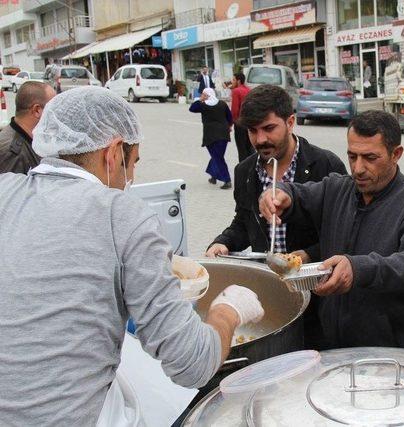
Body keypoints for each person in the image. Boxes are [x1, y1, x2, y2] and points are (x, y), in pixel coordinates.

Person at [0, 87, 264, 425]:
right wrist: (229, 310)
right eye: (132, 163)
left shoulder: (7, 190)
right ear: (113, 154)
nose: (132, 178)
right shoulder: (121, 214)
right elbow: (193, 363)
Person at [258, 110, 404, 350]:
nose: (358, 168)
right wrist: (279, 194)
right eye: (352, 156)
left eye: (370, 158)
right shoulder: (337, 188)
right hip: (334, 345)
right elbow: (299, 195)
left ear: (396, 154)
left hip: (391, 352)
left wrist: (358, 268)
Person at [205, 84, 346, 348]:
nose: (260, 140)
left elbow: (345, 232)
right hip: (272, 294)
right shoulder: (245, 171)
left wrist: (307, 254)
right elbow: (243, 223)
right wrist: (223, 242)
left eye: (269, 129)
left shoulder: (325, 165)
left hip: (320, 298)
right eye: (252, 131)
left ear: (290, 122)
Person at [0, 81, 56, 173]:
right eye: (53, 108)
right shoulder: (13, 154)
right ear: (37, 110)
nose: (57, 114)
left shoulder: (28, 140)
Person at [189, 87, 232, 189]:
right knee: (217, 156)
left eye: (203, 94)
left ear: (207, 95)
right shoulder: (222, 104)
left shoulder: (203, 105)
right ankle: (213, 176)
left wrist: (200, 99)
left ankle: (227, 180)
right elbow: (229, 117)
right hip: (224, 134)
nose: (202, 96)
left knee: (218, 157)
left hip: (211, 136)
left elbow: (192, 108)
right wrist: (229, 126)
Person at [230, 72, 254, 162]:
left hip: (240, 123)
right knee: (250, 147)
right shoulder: (249, 90)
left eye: (233, 80)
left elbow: (235, 109)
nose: (232, 82)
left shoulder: (236, 91)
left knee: (242, 149)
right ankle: (252, 168)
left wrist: (231, 123)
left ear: (238, 81)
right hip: (250, 122)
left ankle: (243, 170)